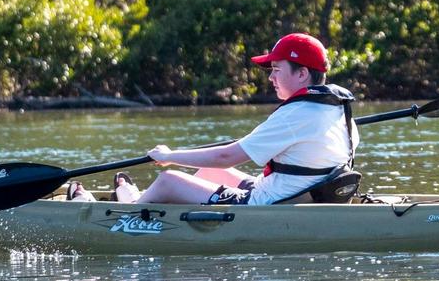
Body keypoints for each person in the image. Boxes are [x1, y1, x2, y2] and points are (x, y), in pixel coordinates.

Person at [131, 33, 358, 205]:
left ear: (302, 74)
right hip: (299, 194)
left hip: (266, 204)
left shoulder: (294, 114)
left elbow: (225, 156)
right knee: (211, 173)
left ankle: (128, 207)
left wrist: (169, 156)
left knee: (168, 180)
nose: (270, 77)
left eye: (277, 69)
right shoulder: (339, 109)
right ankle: (143, 199)